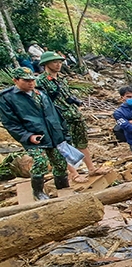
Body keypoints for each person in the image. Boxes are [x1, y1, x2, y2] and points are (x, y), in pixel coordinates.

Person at [0, 67, 70, 199]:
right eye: (26, 81)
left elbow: (55, 114)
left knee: (60, 162)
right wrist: (27, 136)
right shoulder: (7, 98)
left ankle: (63, 189)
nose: (31, 83)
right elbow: (10, 123)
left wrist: (64, 133)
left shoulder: (41, 93)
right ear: (15, 80)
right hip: (33, 135)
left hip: (52, 134)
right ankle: (38, 192)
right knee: (40, 161)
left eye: (32, 80)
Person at [37, 51, 106, 183]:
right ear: (46, 63)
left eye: (60, 62)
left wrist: (75, 102)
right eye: (55, 62)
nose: (58, 65)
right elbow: (42, 102)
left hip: (74, 115)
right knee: (65, 147)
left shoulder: (61, 79)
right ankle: (74, 174)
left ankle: (91, 168)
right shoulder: (41, 81)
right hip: (59, 118)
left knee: (82, 142)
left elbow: (67, 96)